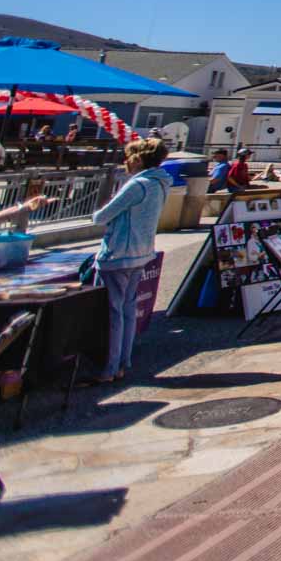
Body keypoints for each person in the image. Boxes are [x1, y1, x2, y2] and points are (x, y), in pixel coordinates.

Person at [88, 137, 172, 384]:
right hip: (142, 253)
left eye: (129, 157)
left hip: (118, 254)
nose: (126, 162)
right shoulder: (161, 183)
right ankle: (123, 362)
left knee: (113, 312)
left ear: (137, 158)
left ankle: (109, 368)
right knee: (127, 311)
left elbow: (102, 217)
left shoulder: (138, 185)